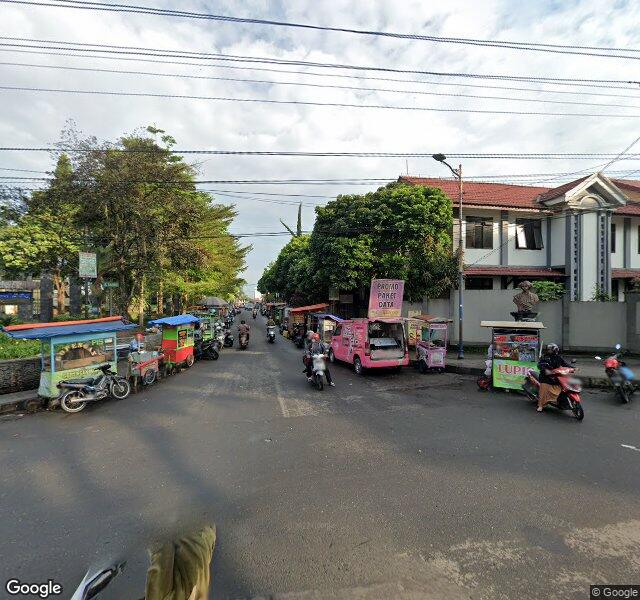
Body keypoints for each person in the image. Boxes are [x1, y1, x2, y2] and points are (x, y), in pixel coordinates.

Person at [536, 343, 570, 412]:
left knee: (563, 387)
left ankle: (562, 403)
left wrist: (573, 368)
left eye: (554, 350)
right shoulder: (545, 357)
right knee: (544, 388)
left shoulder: (558, 357)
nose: (553, 351)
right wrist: (545, 370)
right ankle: (541, 405)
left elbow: (565, 364)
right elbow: (540, 365)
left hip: (556, 376)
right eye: (551, 350)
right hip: (545, 377)